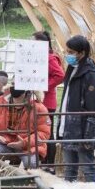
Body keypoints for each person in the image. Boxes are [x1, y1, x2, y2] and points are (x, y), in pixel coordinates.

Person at [57, 35, 95, 183]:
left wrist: (90, 131)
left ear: (81, 53)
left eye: (71, 52)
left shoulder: (90, 74)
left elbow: (94, 104)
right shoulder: (72, 69)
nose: (67, 55)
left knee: (87, 166)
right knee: (70, 167)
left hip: (82, 127)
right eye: (67, 51)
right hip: (69, 125)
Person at [0, 87, 50, 169]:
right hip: (6, 142)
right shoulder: (0, 101)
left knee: (31, 163)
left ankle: (28, 181)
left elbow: (43, 133)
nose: (15, 86)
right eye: (13, 83)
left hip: (28, 146)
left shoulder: (39, 107)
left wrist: (24, 143)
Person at [33, 31, 66, 169]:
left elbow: (60, 75)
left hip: (47, 101)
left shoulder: (50, 58)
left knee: (47, 133)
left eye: (34, 42)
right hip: (39, 100)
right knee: (38, 131)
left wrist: (43, 86)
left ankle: (50, 164)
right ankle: (43, 161)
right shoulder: (39, 57)